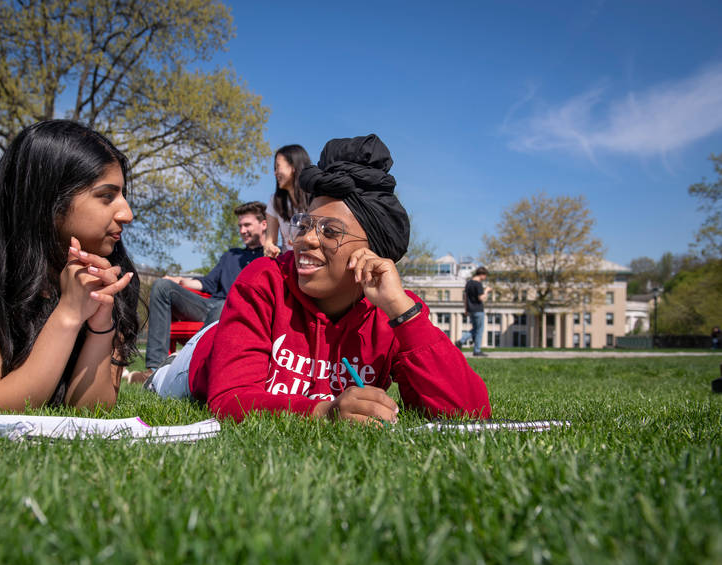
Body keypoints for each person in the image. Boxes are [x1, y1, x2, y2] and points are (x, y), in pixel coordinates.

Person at [145, 134, 490, 424]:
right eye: (305, 225)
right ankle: (155, 371)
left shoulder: (392, 310)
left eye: (329, 231)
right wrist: (325, 411)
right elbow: (229, 398)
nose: (306, 239)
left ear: (371, 252)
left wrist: (402, 311)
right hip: (203, 359)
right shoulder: (264, 280)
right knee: (160, 382)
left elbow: (471, 412)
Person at [0, 120, 140, 411]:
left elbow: (90, 410)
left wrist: (100, 323)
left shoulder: (114, 272)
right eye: (107, 196)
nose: (127, 214)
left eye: (122, 195)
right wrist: (69, 313)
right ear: (48, 199)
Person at [127, 201, 267, 383]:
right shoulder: (231, 255)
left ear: (264, 224)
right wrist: (180, 280)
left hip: (233, 309)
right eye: (240, 225)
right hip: (208, 306)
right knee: (162, 286)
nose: (242, 230)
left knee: (226, 305)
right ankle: (154, 370)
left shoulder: (270, 257)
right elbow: (207, 283)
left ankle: (189, 365)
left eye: (247, 225)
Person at [263, 144, 312, 258]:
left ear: (293, 167)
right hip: (289, 261)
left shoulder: (317, 197)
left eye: (278, 167)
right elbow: (269, 241)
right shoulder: (274, 201)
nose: (275, 173)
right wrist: (270, 248)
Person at [457, 267, 491, 357]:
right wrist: (487, 291)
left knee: (475, 329)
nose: (485, 278)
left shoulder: (468, 283)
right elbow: (481, 298)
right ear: (482, 275)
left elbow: (465, 297)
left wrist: (466, 309)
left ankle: (461, 341)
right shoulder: (478, 284)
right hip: (478, 309)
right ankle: (476, 350)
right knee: (479, 330)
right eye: (485, 276)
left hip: (470, 310)